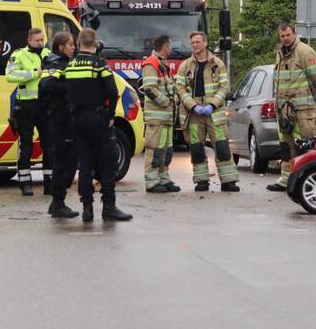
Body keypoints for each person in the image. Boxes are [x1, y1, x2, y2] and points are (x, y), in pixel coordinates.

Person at [64, 28, 132, 222]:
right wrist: (110, 115)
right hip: (99, 119)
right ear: (95, 43)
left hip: (77, 119)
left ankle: (87, 209)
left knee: (85, 165)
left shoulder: (71, 65)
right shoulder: (99, 64)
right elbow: (112, 90)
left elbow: (66, 91)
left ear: (78, 43)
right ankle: (109, 207)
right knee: (107, 163)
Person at [174, 31, 240, 192]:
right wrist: (193, 105)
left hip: (215, 114)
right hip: (194, 114)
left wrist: (213, 104)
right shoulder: (185, 66)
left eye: (197, 42)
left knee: (222, 147)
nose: (195, 45)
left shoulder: (217, 64)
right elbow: (180, 88)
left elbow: (224, 87)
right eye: (192, 43)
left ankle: (228, 181)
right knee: (197, 149)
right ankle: (201, 181)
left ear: (205, 43)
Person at [267, 23, 316, 192]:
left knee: (304, 144)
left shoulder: (305, 52)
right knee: (286, 145)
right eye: (282, 36)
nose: (285, 39)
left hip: (303, 109)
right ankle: (286, 179)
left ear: (294, 34)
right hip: (284, 109)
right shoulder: (281, 52)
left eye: (288, 35)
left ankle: (306, 180)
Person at [6, 28, 54, 196]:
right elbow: (10, 75)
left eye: (42, 40)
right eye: (37, 40)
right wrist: (34, 73)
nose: (40, 43)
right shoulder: (19, 55)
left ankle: (50, 183)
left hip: (45, 105)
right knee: (26, 146)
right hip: (26, 106)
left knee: (49, 146)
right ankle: (25, 182)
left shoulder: (49, 54)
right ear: (29, 40)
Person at [39, 31, 79, 218]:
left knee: (69, 161)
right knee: (65, 162)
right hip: (59, 119)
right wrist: (69, 87)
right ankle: (57, 203)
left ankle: (58, 201)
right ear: (61, 46)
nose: (73, 47)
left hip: (68, 119)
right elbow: (46, 85)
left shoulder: (69, 62)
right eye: (70, 44)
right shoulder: (55, 63)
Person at [140, 34, 180, 193]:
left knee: (165, 150)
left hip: (166, 117)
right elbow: (149, 89)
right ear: (165, 47)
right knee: (154, 150)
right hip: (157, 117)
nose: (172, 48)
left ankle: (164, 179)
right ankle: (152, 183)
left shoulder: (162, 63)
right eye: (170, 45)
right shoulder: (151, 64)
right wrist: (167, 102)